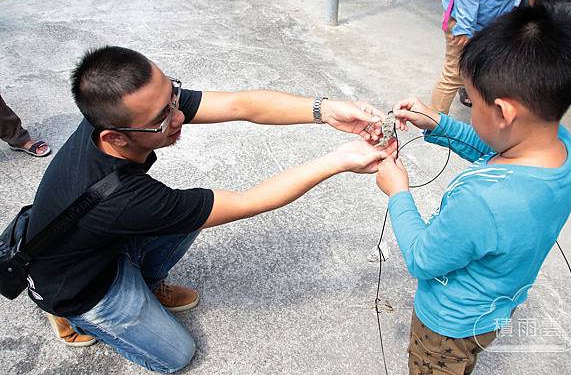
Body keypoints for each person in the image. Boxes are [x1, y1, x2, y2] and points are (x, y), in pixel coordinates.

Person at [24, 45, 390, 372]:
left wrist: (325, 111)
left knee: (189, 212)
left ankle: (144, 283)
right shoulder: (125, 199)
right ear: (115, 137)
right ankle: (73, 319)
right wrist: (341, 160)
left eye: (173, 97)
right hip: (79, 286)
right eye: (162, 119)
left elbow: (239, 105)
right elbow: (250, 201)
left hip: (98, 238)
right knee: (176, 355)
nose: (178, 115)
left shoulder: (114, 113)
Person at [376, 5, 571, 375]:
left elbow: (423, 258)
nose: (467, 110)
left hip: (447, 325)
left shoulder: (484, 201)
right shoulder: (562, 149)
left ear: (504, 112)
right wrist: (437, 123)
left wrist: (398, 193)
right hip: (495, 307)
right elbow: (497, 146)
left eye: (470, 100)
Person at [431, 0, 539, 114]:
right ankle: (433, 128)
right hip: (466, 23)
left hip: (500, 27)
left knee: (491, 78)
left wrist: (527, 25)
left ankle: (485, 130)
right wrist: (465, 29)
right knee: (454, 74)